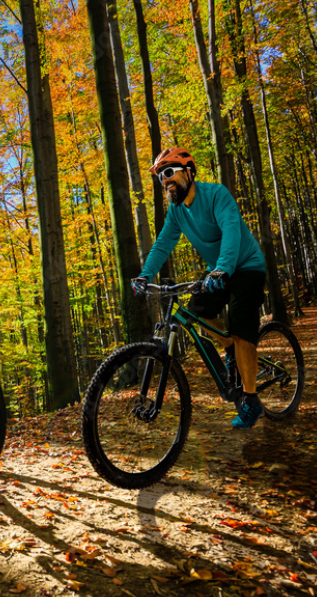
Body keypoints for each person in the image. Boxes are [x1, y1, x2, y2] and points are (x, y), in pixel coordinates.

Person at [133, 147, 268, 429]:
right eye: (160, 177)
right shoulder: (177, 211)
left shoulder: (216, 194)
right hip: (219, 271)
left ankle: (251, 401)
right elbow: (162, 244)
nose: (165, 181)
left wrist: (223, 268)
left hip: (246, 266)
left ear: (189, 172)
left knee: (243, 328)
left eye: (170, 172)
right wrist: (145, 275)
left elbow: (231, 229)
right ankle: (228, 347)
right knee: (195, 312)